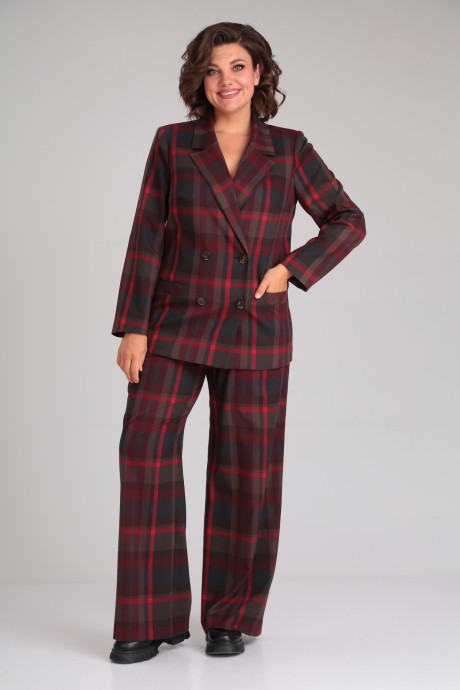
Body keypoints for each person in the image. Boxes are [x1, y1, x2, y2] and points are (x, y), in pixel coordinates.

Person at [109, 21, 366, 664]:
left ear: (260, 75)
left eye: (238, 67)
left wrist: (290, 270)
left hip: (255, 325)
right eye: (213, 69)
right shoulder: (173, 143)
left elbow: (347, 220)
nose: (226, 80)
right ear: (199, 79)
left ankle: (230, 617)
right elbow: (147, 236)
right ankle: (148, 618)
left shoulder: (289, 148)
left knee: (247, 471)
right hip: (173, 321)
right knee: (144, 449)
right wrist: (134, 326)